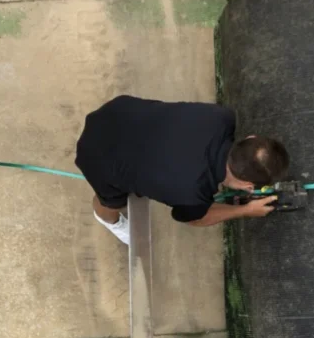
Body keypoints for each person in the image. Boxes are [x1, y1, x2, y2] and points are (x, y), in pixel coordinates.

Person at [75, 95, 290, 244]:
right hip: (97, 156)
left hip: (119, 111)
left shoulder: (220, 117)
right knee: (112, 201)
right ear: (247, 185)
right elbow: (194, 218)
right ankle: (108, 220)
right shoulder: (192, 193)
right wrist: (246, 210)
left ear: (249, 138)